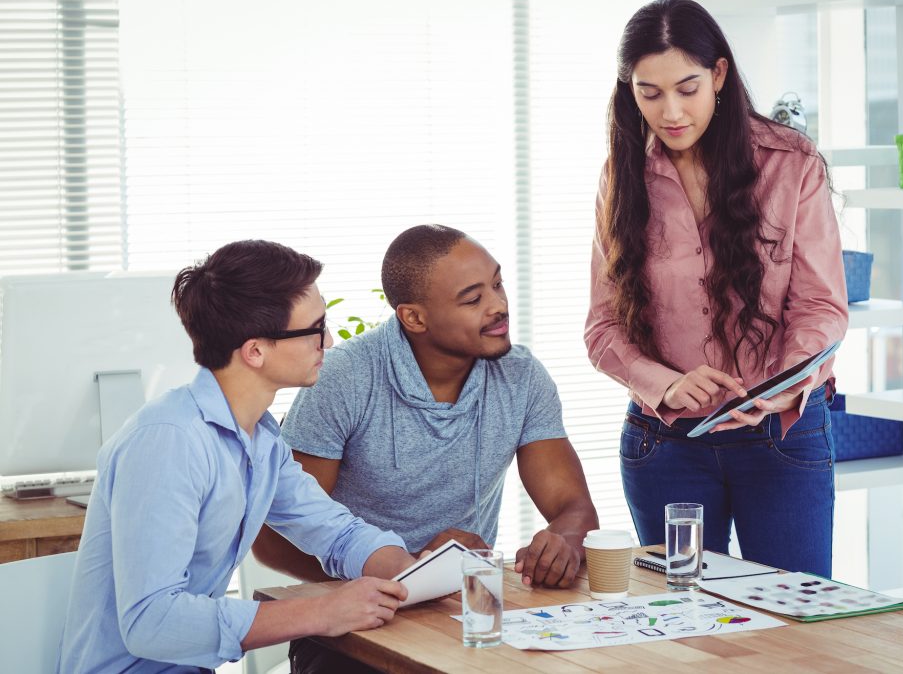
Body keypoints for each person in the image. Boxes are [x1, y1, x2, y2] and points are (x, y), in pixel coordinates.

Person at [57, 240, 418, 673]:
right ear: (255, 351)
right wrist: (322, 611)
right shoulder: (169, 441)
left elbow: (335, 532)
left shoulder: (260, 438)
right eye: (315, 329)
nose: (330, 340)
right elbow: (152, 622)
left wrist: (410, 572)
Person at [252, 224, 599, 671]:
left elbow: (574, 508)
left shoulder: (521, 378)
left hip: (463, 613)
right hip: (352, 627)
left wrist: (563, 541)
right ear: (414, 317)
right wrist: (410, 573)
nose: (498, 306)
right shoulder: (345, 379)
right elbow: (273, 543)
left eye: (497, 284)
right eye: (473, 299)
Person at [585, 0, 848, 578]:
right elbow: (603, 330)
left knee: (794, 628)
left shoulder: (791, 163)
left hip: (781, 436)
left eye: (688, 87)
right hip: (668, 446)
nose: (670, 111)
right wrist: (669, 384)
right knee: (687, 635)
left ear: (719, 74)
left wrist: (768, 387)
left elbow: (823, 307)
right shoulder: (621, 176)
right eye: (649, 93)